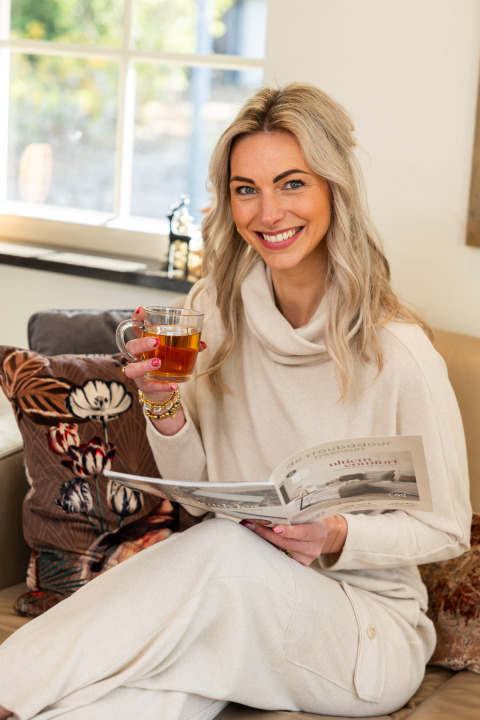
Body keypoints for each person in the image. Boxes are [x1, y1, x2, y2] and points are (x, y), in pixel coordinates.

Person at [0, 83, 472, 720]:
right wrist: (162, 403)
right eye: (246, 189)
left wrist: (335, 534)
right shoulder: (209, 317)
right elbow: (196, 487)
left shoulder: (399, 357)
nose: (268, 212)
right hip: (236, 604)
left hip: (363, 633)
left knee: (221, 553)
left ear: (335, 188)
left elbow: (444, 531)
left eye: (291, 183)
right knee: (140, 694)